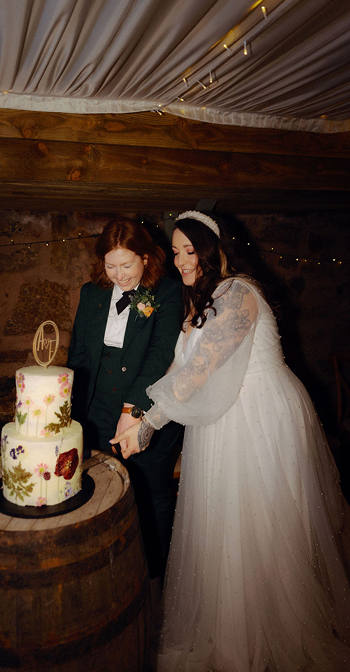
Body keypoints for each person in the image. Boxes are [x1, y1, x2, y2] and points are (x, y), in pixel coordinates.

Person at [111, 211, 350, 670]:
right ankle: (232, 625)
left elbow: (202, 372)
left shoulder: (239, 293)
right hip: (222, 417)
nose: (182, 260)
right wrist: (136, 412)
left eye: (190, 249)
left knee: (265, 521)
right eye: (177, 251)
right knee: (226, 522)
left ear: (215, 248)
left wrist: (147, 425)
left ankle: (272, 625)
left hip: (262, 415)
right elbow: (180, 368)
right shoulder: (198, 297)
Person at [67, 218, 184, 581]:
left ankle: (155, 575)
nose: (119, 275)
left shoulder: (167, 293)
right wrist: (69, 411)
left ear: (146, 258)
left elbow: (160, 354)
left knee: (151, 493)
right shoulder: (92, 294)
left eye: (127, 265)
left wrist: (133, 410)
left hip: (148, 411)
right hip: (96, 410)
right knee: (102, 491)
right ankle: (112, 573)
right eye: (110, 265)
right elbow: (79, 357)